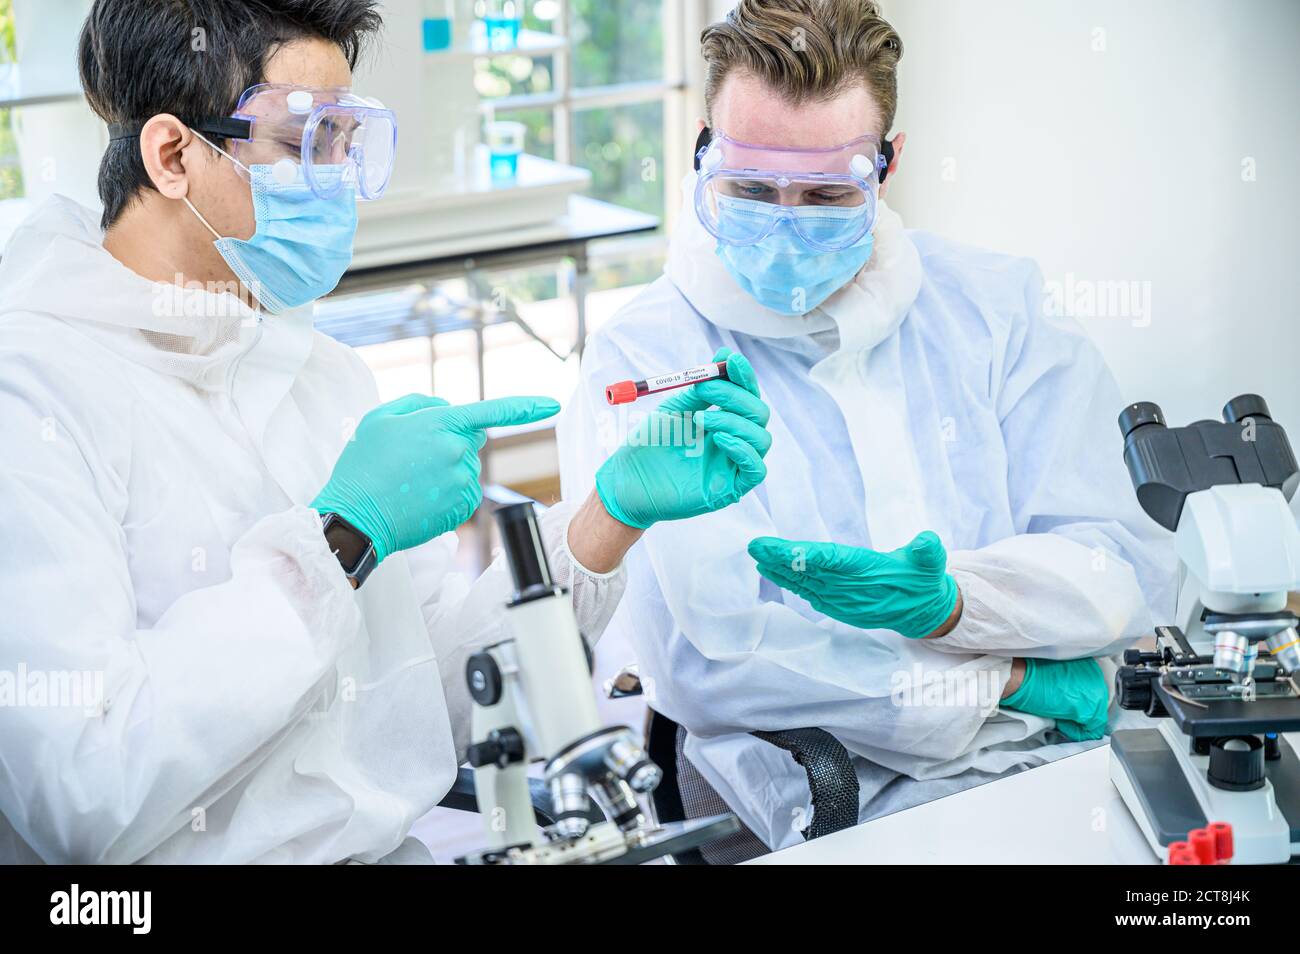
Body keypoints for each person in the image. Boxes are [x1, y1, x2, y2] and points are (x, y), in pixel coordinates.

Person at [0, 0, 771, 863]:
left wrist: (604, 520)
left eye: (345, 143)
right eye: (305, 144)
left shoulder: (318, 374)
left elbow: (436, 701)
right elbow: (81, 792)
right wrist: (341, 536)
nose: (336, 181)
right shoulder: (32, 393)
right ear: (174, 154)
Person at [557, 0, 1175, 859]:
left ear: (888, 166)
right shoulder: (650, 355)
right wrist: (1017, 675)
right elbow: (713, 662)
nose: (783, 223)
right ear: (703, 150)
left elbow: (1121, 562)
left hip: (1082, 748)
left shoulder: (996, 310)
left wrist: (956, 600)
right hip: (846, 786)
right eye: (747, 189)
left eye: (824, 195)